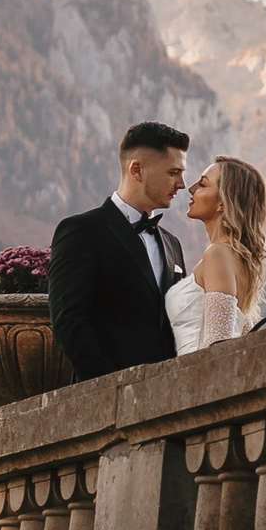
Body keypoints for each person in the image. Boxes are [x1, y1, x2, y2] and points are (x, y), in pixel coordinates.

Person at [47, 122, 190, 380]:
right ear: (137, 170)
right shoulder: (81, 231)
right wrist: (110, 388)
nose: (182, 184)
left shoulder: (173, 245)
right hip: (106, 401)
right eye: (173, 172)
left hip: (168, 398)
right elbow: (68, 321)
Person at [167, 156, 266, 354]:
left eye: (203, 184)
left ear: (222, 203)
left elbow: (218, 344)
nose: (191, 188)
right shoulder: (234, 257)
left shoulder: (217, 254)